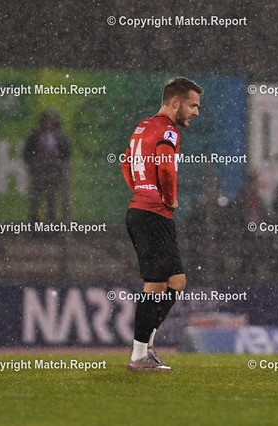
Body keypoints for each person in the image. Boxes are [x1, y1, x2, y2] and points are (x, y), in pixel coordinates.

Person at [121, 77, 203, 370]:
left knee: (176, 281)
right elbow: (166, 167)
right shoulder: (168, 130)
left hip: (143, 211)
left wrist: (140, 191)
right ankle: (139, 355)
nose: (196, 112)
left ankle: (146, 346)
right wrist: (168, 198)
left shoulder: (143, 126)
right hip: (154, 214)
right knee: (155, 286)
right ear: (175, 102)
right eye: (192, 106)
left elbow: (126, 162)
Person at [23, 109, 71, 223]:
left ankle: (51, 223)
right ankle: (34, 224)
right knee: (36, 199)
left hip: (53, 171)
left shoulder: (60, 136)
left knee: (51, 198)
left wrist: (60, 165)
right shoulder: (35, 135)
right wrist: (33, 164)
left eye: (52, 120)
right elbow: (27, 152)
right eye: (47, 119)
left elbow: (66, 153)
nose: (49, 122)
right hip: (39, 170)